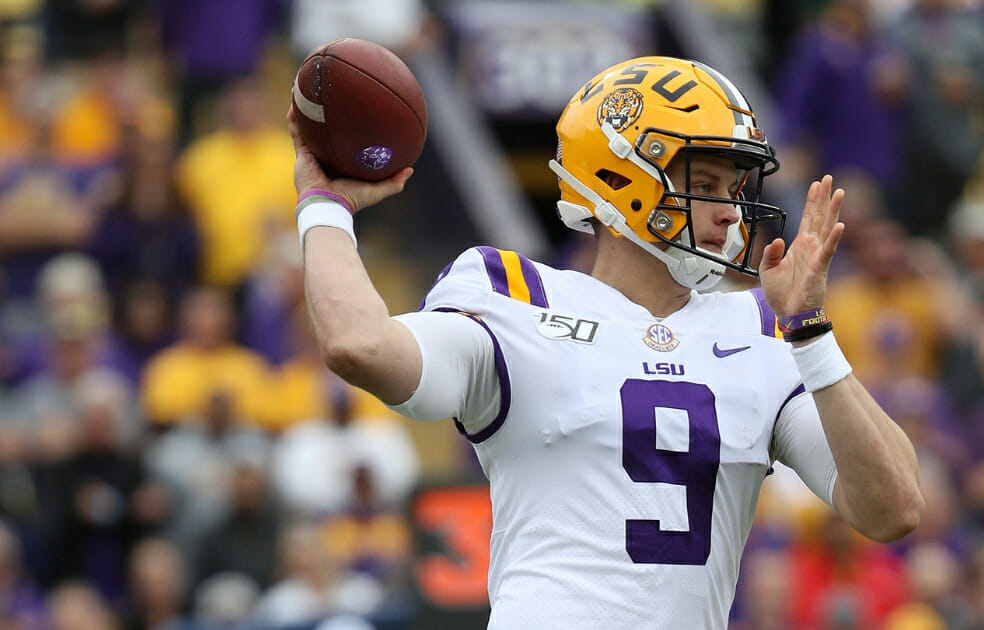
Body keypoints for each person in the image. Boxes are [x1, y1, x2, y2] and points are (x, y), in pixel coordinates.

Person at [289, 56, 923, 629]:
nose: (732, 211)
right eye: (706, 183)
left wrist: (809, 330)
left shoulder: (756, 329)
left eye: (736, 189)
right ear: (622, 176)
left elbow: (892, 507)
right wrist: (326, 207)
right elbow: (360, 346)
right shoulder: (515, 297)